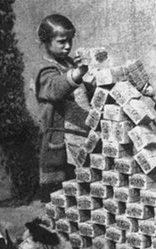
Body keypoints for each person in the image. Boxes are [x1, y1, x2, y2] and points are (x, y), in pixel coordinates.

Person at [34, 14, 90, 202]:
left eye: (70, 41)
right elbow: (56, 88)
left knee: (84, 191)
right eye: (61, 41)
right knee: (62, 195)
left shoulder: (70, 63)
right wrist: (78, 73)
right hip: (61, 142)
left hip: (80, 134)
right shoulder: (45, 70)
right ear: (46, 41)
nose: (68, 46)